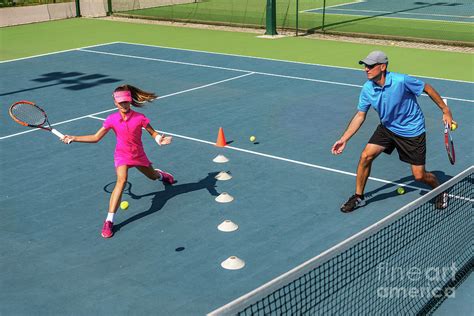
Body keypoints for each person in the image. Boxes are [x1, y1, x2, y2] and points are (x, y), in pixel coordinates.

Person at [331, 51, 454, 213]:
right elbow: (360, 115)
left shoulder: (401, 81)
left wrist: (445, 110)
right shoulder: (367, 89)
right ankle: (358, 197)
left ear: (382, 67)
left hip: (412, 131)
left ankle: (440, 189)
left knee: (419, 176)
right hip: (388, 128)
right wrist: (344, 139)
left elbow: (427, 88)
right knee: (365, 156)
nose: (366, 69)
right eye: (365, 66)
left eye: (370, 66)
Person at [62, 84, 174, 238]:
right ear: (115, 103)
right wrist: (74, 138)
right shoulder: (111, 119)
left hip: (138, 155)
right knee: (121, 181)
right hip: (121, 156)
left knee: (153, 176)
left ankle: (161, 175)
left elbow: (153, 133)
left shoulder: (140, 118)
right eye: (121, 102)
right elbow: (96, 138)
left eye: (126, 101)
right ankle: (109, 221)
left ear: (130, 101)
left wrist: (159, 139)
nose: (124, 105)